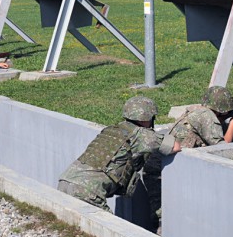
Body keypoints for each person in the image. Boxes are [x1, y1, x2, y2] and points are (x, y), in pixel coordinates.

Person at [58, 96, 181, 228]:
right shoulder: (141, 135)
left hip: (65, 181)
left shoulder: (113, 129)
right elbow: (175, 147)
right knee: (110, 233)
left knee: (75, 230)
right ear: (148, 118)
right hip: (88, 192)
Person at [163, 86, 233, 149]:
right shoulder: (207, 117)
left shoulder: (199, 110)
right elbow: (221, 149)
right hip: (169, 164)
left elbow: (218, 133)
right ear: (221, 111)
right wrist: (232, 127)